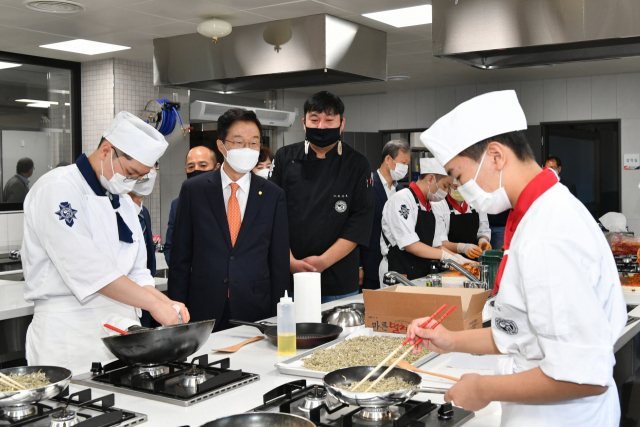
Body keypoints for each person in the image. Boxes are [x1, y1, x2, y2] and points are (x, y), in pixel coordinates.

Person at [411, 90, 626, 426]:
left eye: (458, 176)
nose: (458, 187)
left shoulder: (549, 231)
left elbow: (584, 376)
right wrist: (451, 340)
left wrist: (484, 388)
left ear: (496, 156)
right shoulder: (538, 212)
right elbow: (523, 332)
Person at [22, 112, 189, 374]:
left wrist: (166, 302)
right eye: (131, 173)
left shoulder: (121, 199)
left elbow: (136, 272)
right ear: (106, 151)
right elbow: (89, 270)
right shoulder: (57, 188)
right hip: (69, 335)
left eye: (139, 178)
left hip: (122, 334)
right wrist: (154, 305)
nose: (132, 182)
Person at [168, 108, 289, 332]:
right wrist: (176, 309)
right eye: (239, 142)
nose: (248, 149)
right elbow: (180, 259)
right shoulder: (194, 190)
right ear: (221, 146)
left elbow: (278, 263)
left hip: (255, 308)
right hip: (203, 307)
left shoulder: (273, 195)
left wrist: (278, 316)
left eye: (254, 143)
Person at [270, 91, 374, 302]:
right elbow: (271, 214)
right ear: (304, 122)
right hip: (290, 277)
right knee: (292, 333)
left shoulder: (357, 163)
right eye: (314, 120)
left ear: (341, 123)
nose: (321, 127)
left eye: (329, 120)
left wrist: (323, 262)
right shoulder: (284, 157)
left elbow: (360, 221)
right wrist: (289, 261)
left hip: (338, 278)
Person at [379, 158, 468, 285]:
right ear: (430, 179)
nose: (447, 191)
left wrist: (458, 259)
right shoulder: (401, 199)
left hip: (420, 270)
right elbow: (410, 245)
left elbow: (437, 245)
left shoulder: (431, 205)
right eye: (445, 186)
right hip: (398, 271)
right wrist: (446, 256)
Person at [360, 140, 410, 290]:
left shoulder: (402, 192)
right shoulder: (366, 187)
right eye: (403, 162)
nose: (405, 168)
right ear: (388, 159)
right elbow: (357, 228)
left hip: (398, 264)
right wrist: (358, 266)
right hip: (371, 262)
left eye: (407, 164)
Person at [164, 146, 218, 265]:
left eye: (203, 166)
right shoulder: (177, 204)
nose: (196, 170)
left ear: (216, 168)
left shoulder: (229, 200)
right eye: (191, 167)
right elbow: (171, 247)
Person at [432, 180, 492, 259]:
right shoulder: (439, 204)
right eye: (456, 187)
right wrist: (463, 248)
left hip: (474, 258)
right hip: (450, 258)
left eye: (463, 187)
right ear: (448, 186)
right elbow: (440, 242)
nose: (460, 190)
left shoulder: (476, 201)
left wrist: (483, 240)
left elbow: (483, 230)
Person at [128, 168, 158, 328]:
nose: (146, 173)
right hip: (125, 297)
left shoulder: (143, 212)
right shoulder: (115, 211)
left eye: (152, 166)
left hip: (146, 292)